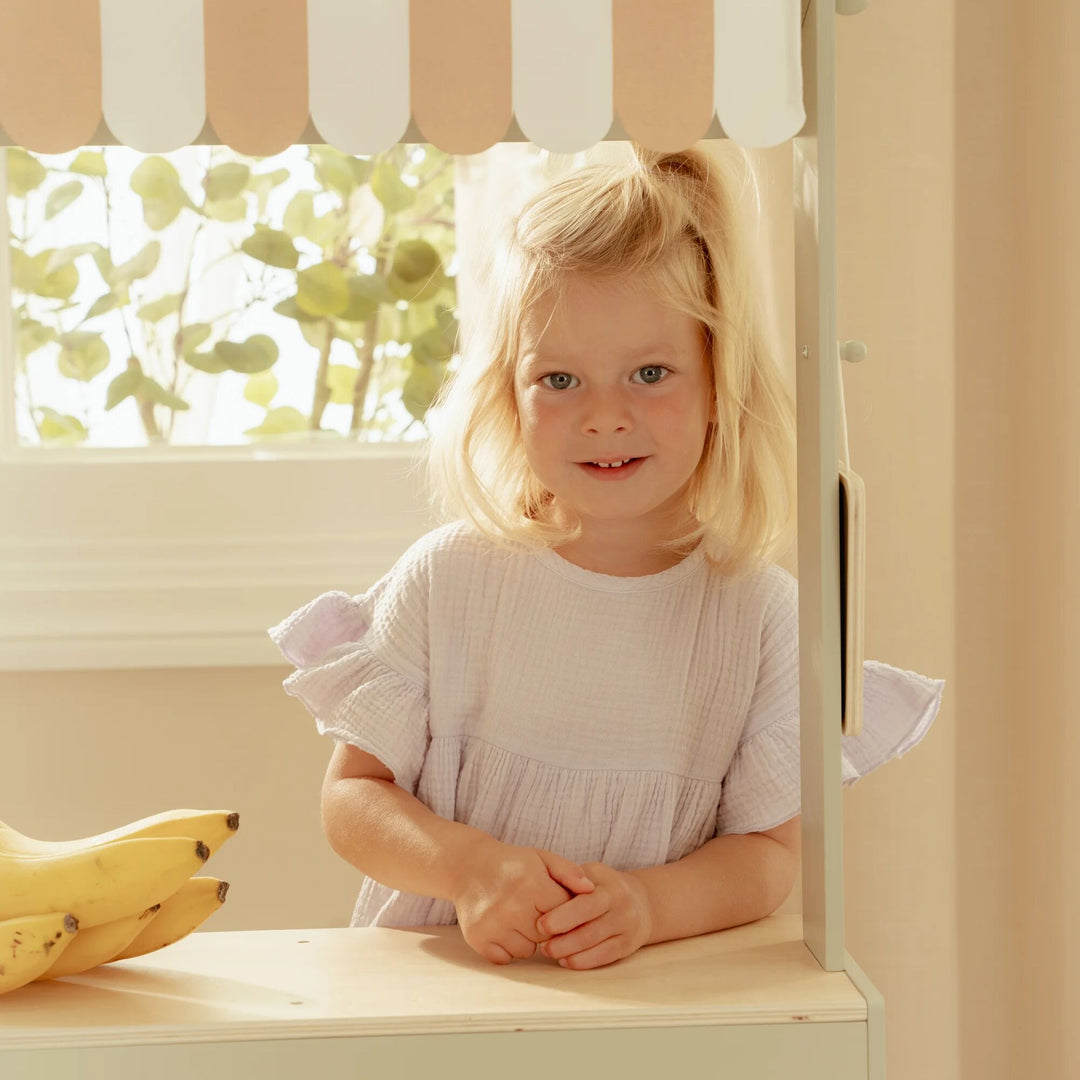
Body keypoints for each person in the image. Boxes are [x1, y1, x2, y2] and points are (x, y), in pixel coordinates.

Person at [269, 144, 944, 971]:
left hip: (646, 1010)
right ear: (507, 395)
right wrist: (469, 868)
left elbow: (767, 856)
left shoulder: (757, 616)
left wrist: (652, 905)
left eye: (649, 373)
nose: (603, 416)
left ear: (717, 388)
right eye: (559, 381)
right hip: (447, 1004)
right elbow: (353, 798)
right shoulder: (450, 579)